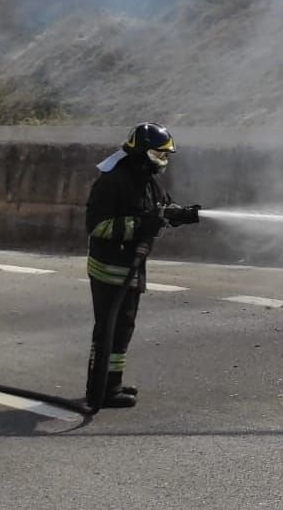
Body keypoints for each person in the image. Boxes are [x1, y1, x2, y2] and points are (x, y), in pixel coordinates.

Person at [85, 123, 199, 408]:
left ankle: (112, 382)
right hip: (110, 268)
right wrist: (141, 225)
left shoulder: (146, 177)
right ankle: (101, 390)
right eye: (159, 155)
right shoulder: (113, 180)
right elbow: (97, 226)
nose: (164, 161)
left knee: (123, 327)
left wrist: (180, 214)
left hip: (130, 267)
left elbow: (159, 208)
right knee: (108, 328)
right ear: (141, 152)